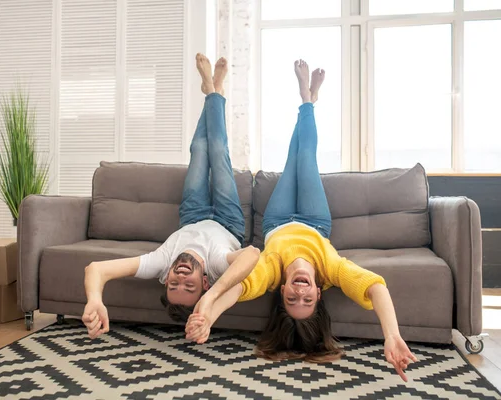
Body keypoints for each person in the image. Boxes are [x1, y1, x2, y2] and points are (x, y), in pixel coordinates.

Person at [185, 58, 418, 382]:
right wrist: (391, 334)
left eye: (292, 299)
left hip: (277, 220)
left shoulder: (270, 273)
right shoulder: (332, 271)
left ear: (281, 292)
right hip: (314, 220)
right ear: (318, 296)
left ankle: (307, 101)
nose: (300, 292)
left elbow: (236, 290)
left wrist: (207, 315)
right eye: (307, 300)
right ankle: (307, 101)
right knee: (305, 157)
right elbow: (376, 288)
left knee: (292, 156)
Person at [82, 54, 260, 339]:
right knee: (218, 151)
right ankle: (214, 91)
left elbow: (96, 268)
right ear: (204, 281)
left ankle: (213, 92)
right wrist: (210, 298)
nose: (179, 279)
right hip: (228, 222)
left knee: (199, 149)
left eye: (172, 285)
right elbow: (252, 254)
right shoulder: (214, 265)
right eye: (189, 287)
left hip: (192, 214)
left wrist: (94, 300)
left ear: (165, 280)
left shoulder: (162, 263)